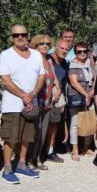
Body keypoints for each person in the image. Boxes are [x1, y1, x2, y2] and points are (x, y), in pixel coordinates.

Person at [0, 25, 45, 184]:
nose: (20, 37)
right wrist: (24, 96)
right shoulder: (6, 55)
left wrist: (33, 94)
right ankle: (7, 168)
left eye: (23, 34)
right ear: (11, 37)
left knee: (27, 136)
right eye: (16, 35)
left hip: (31, 103)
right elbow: (5, 80)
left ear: (28, 35)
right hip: (12, 104)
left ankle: (22, 164)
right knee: (10, 137)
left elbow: (41, 77)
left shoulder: (36, 54)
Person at [27, 35, 61, 171]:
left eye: (47, 43)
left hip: (47, 102)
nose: (45, 46)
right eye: (41, 43)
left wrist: (58, 89)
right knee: (33, 132)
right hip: (36, 101)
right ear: (35, 45)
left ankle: (37, 159)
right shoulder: (32, 60)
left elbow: (54, 78)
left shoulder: (49, 61)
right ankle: (28, 160)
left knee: (43, 132)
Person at [67, 42, 95, 160]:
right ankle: (75, 149)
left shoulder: (90, 64)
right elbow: (74, 83)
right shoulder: (72, 65)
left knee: (90, 122)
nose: (82, 53)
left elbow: (94, 79)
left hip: (90, 96)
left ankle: (86, 147)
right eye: (79, 51)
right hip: (77, 97)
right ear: (75, 53)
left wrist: (93, 92)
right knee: (75, 123)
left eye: (85, 51)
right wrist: (86, 95)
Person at [45, 38, 70, 161]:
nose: (64, 51)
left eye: (66, 49)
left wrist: (62, 99)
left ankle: (50, 150)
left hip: (58, 96)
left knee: (53, 125)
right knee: (42, 124)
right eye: (62, 48)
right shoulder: (47, 59)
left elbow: (64, 82)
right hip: (45, 94)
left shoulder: (65, 63)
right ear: (55, 48)